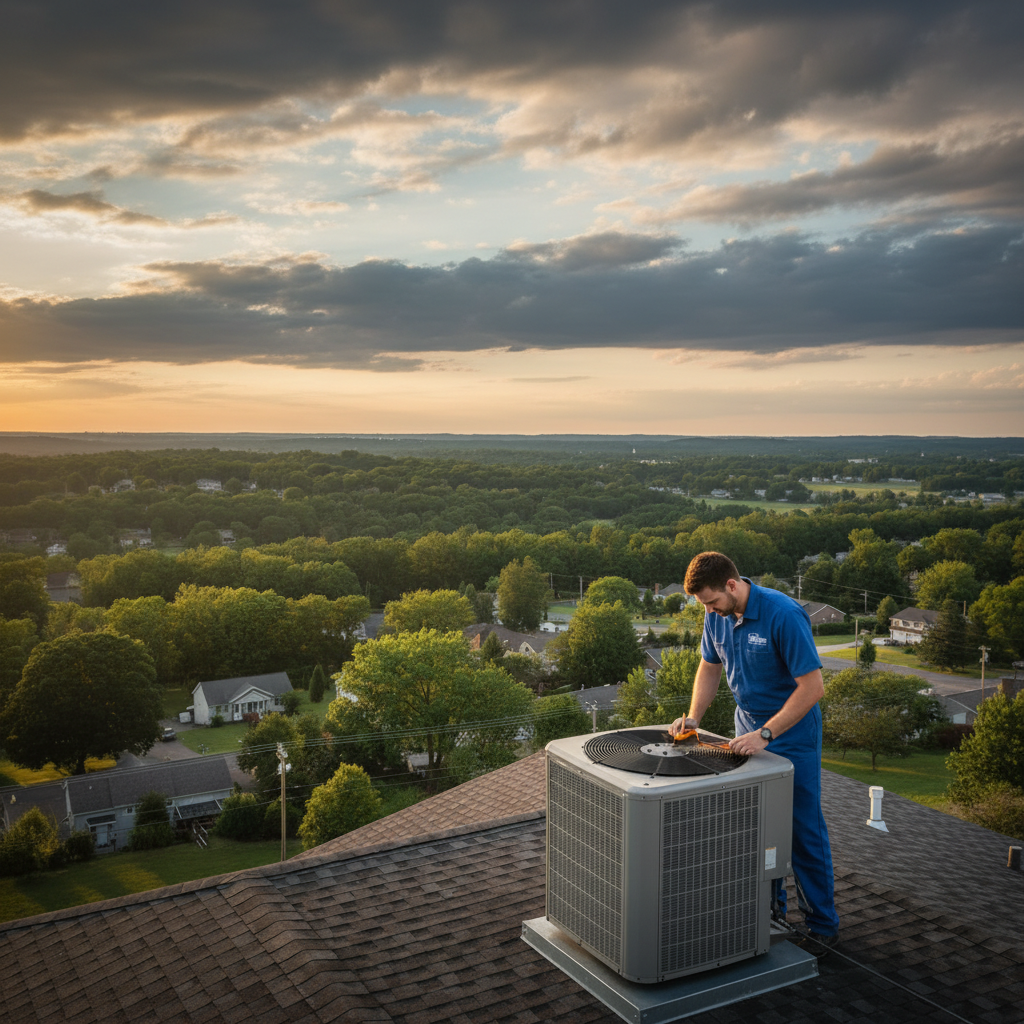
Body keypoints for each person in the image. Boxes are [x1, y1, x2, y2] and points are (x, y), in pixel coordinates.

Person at [670, 551, 840, 947]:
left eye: (712, 602)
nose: (709, 611)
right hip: (745, 728)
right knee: (756, 826)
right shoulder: (717, 616)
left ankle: (822, 927)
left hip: (790, 733)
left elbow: (813, 689)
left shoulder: (783, 614)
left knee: (801, 831)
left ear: (732, 585)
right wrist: (694, 716)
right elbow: (710, 666)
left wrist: (766, 734)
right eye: (704, 606)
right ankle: (768, 912)